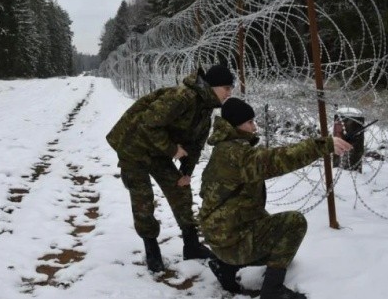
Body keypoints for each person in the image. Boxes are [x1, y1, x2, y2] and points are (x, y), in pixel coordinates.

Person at [199, 98, 352, 298]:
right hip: (231, 244)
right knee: (293, 224)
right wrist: (323, 145)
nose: (255, 127)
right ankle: (272, 290)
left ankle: (225, 267)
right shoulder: (236, 155)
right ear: (236, 125)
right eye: (250, 122)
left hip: (221, 237)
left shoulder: (225, 148)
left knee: (266, 222)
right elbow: (278, 159)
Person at [106, 65, 235, 272]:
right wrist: (172, 149)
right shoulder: (183, 97)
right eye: (226, 88)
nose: (229, 93)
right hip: (133, 146)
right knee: (143, 200)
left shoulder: (205, 108)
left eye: (231, 88)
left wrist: (186, 172)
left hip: (158, 150)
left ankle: (191, 245)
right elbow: (148, 124)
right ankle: (151, 248)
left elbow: (195, 145)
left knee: (180, 190)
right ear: (211, 86)